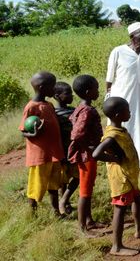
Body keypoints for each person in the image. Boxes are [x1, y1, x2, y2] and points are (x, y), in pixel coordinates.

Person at [93, 97, 140, 257]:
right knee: (120, 208)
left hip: (129, 175)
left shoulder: (119, 130)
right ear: (116, 115)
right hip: (121, 178)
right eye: (126, 110)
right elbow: (96, 153)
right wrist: (114, 159)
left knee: (138, 198)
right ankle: (116, 246)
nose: (129, 112)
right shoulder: (112, 136)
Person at [106, 22, 140, 168]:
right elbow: (109, 79)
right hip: (120, 99)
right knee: (120, 129)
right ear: (132, 36)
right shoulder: (118, 51)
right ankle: (118, 161)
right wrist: (109, 97)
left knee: (139, 129)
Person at [20, 71, 64, 214]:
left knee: (54, 185)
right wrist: (32, 133)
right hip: (40, 155)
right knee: (36, 186)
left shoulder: (49, 105)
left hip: (54, 153)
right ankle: (32, 214)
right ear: (42, 87)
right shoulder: (31, 107)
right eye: (52, 86)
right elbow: (23, 131)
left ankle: (56, 212)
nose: (54, 89)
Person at [68, 74, 103, 235]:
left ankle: (89, 220)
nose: (98, 91)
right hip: (86, 156)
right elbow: (76, 134)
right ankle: (83, 228)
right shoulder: (87, 111)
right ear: (89, 92)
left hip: (87, 154)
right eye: (96, 88)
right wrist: (89, 146)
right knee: (85, 192)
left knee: (88, 188)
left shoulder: (80, 108)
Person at [53, 81, 79, 215]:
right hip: (61, 150)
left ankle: (64, 199)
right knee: (64, 178)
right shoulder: (53, 113)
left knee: (77, 176)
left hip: (73, 150)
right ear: (57, 96)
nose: (71, 95)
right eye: (67, 93)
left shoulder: (74, 110)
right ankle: (65, 201)